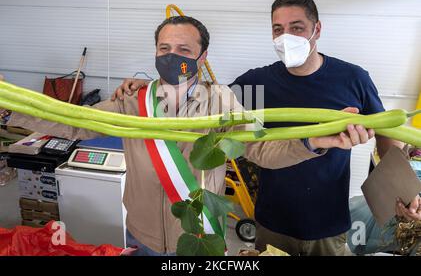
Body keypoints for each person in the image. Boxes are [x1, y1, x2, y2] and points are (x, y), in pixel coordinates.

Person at [0, 15, 374, 256]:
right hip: (142, 235)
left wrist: (314, 142)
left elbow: (262, 150)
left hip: (200, 237)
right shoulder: (134, 100)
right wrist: (10, 109)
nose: (171, 56)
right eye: (164, 48)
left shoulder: (222, 101)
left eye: (183, 49)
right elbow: (74, 122)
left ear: (201, 55)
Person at [111, 0, 403, 255]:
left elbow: (388, 136)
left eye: (297, 28)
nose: (285, 36)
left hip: (327, 221)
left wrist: (403, 192)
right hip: (272, 220)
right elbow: (203, 102)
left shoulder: (352, 79)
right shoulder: (257, 82)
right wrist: (152, 86)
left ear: (317, 29)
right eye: (278, 29)